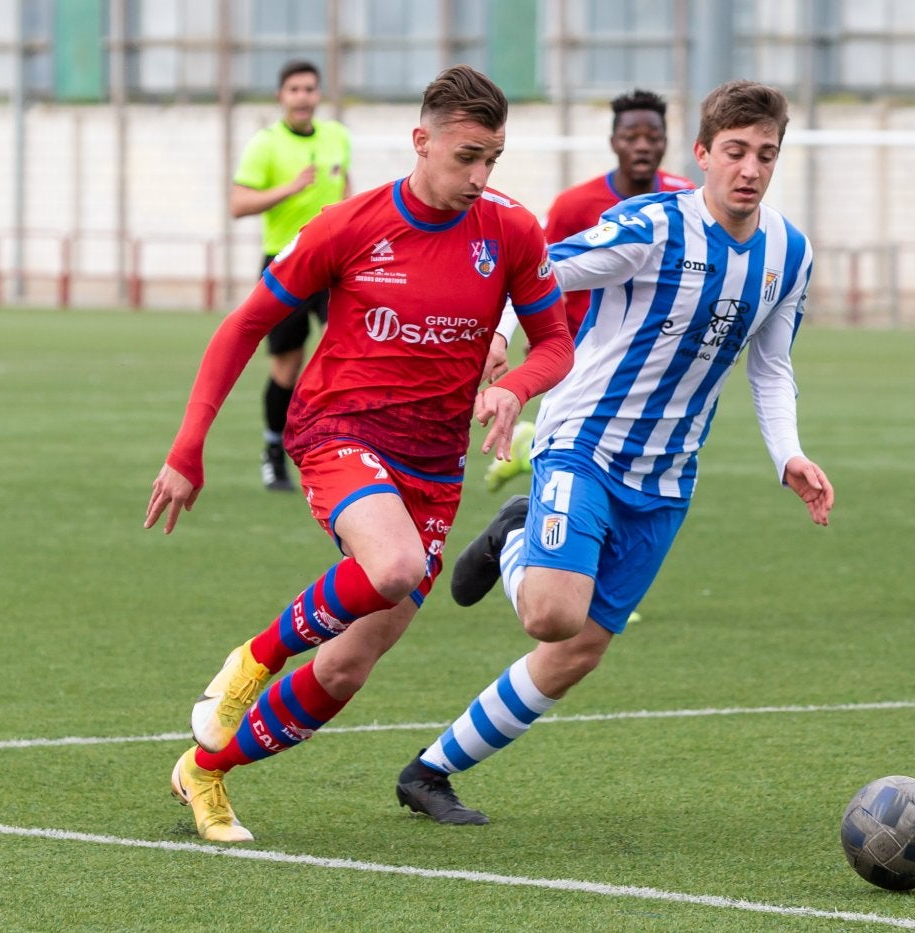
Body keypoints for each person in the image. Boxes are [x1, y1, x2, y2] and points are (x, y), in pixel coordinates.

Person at [144, 64, 573, 843]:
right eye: (466, 156)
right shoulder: (350, 225)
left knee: (345, 667)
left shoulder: (511, 230)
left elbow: (555, 343)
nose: (479, 176)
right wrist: (188, 446)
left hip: (434, 467)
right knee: (394, 567)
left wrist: (517, 389)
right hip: (341, 431)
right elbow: (244, 325)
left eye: (493, 160)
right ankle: (252, 660)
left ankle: (205, 771)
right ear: (421, 141)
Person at [393, 80, 835, 826]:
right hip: (585, 442)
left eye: (765, 153)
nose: (749, 169)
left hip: (666, 477)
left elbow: (771, 366)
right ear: (702, 154)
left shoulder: (788, 254)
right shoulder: (651, 225)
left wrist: (787, 452)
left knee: (580, 651)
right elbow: (538, 273)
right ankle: (514, 536)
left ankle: (429, 771)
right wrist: (500, 338)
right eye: (734, 152)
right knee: (550, 616)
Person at [481, 88, 694, 494]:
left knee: (622, 459)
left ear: (667, 141)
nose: (643, 146)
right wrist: (504, 333)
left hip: (647, 355)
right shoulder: (576, 205)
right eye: (631, 136)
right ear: (614, 142)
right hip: (577, 352)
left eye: (653, 136)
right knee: (568, 457)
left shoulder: (684, 198)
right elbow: (533, 270)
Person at [231, 60, 352, 491]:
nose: (303, 96)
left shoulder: (337, 136)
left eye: (310, 89)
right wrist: (291, 188)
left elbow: (346, 192)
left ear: (318, 96)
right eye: (295, 89)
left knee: (351, 355)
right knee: (287, 364)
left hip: (334, 266)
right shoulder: (266, 145)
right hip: (284, 265)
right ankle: (272, 451)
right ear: (281, 96)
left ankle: (344, 448)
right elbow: (237, 204)